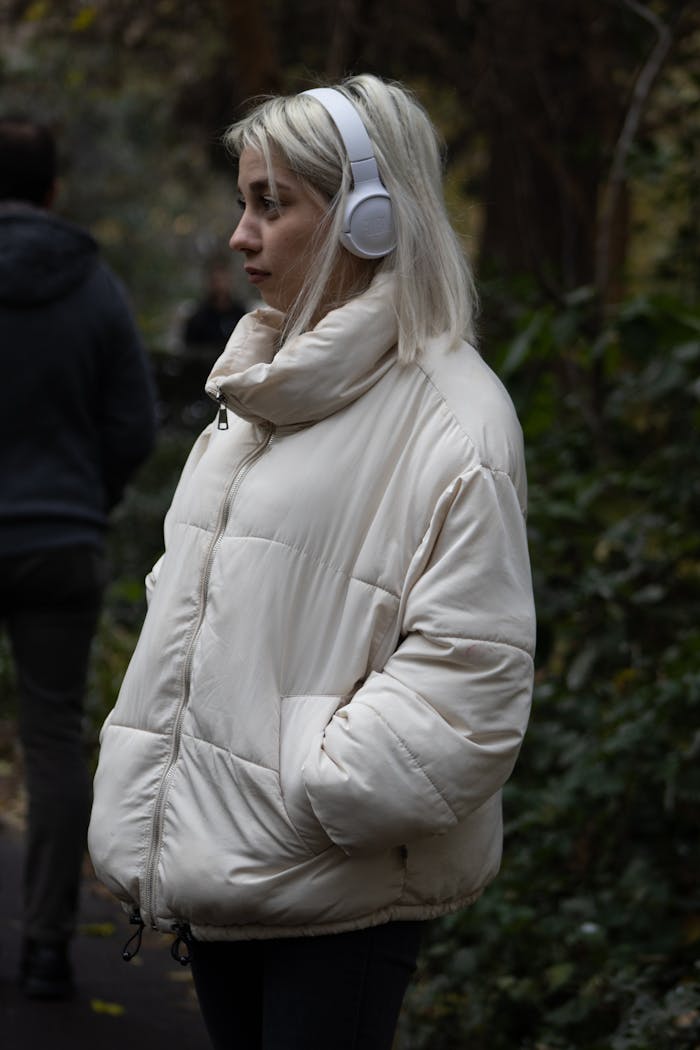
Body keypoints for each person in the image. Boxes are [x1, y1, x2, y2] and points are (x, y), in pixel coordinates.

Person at [88, 75, 536, 1049]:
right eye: (242, 202)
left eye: (270, 203)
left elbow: (472, 682)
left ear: (370, 220)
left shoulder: (454, 421)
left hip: (331, 882)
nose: (241, 235)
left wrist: (311, 789)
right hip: (229, 866)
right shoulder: (257, 401)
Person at [0, 116, 157, 999]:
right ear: (55, 190)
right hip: (62, 542)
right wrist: (80, 501)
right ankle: (49, 946)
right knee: (55, 736)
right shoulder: (92, 286)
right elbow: (133, 423)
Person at [184, 258, 246, 355]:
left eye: (224, 279)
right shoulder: (198, 318)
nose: (220, 285)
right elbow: (190, 349)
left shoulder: (240, 314)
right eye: (216, 280)